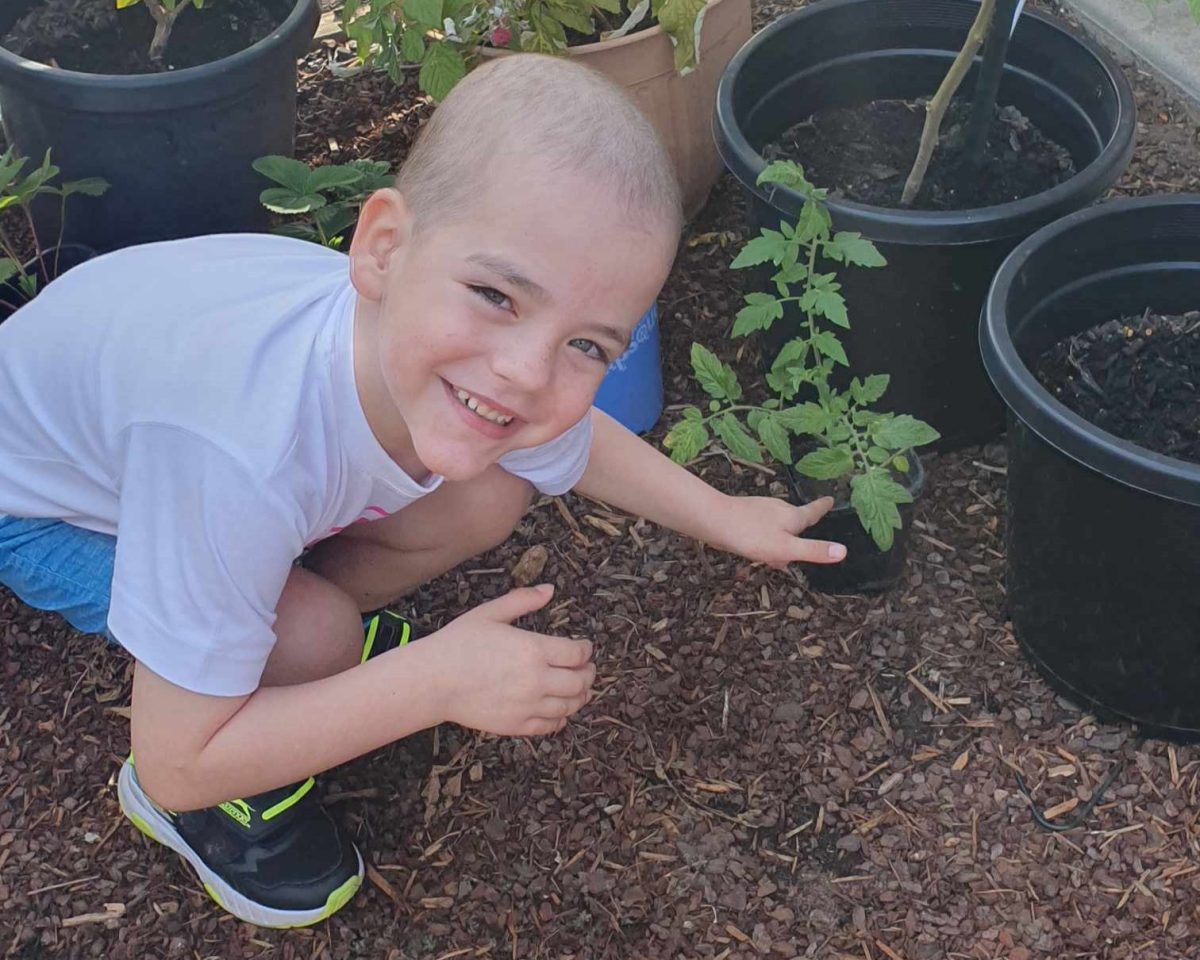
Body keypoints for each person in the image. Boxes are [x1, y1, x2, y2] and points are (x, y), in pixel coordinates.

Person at [0, 54, 845, 928]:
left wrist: (726, 518)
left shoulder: (405, 348)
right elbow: (174, 757)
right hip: (37, 508)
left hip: (171, 451)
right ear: (383, 249)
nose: (524, 373)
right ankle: (225, 791)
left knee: (485, 497)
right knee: (313, 636)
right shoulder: (237, 449)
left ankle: (265, 631)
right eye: (495, 295)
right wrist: (429, 682)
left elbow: (574, 438)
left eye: (588, 346)